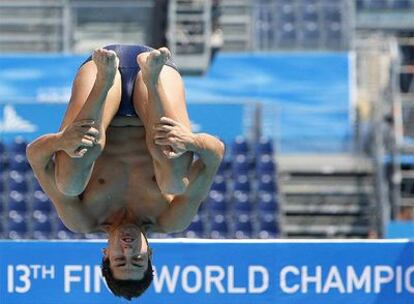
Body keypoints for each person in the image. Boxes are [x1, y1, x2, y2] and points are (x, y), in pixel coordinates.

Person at [26, 45, 225, 300]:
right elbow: (215, 153)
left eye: (120, 260)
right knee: (175, 183)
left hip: (101, 84)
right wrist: (191, 141)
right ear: (150, 254)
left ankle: (104, 80)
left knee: (68, 183)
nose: (128, 250)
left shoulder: (82, 217)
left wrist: (60, 141)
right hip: (155, 85)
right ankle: (150, 80)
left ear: (105, 254)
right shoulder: (171, 217)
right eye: (138, 259)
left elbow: (34, 155)